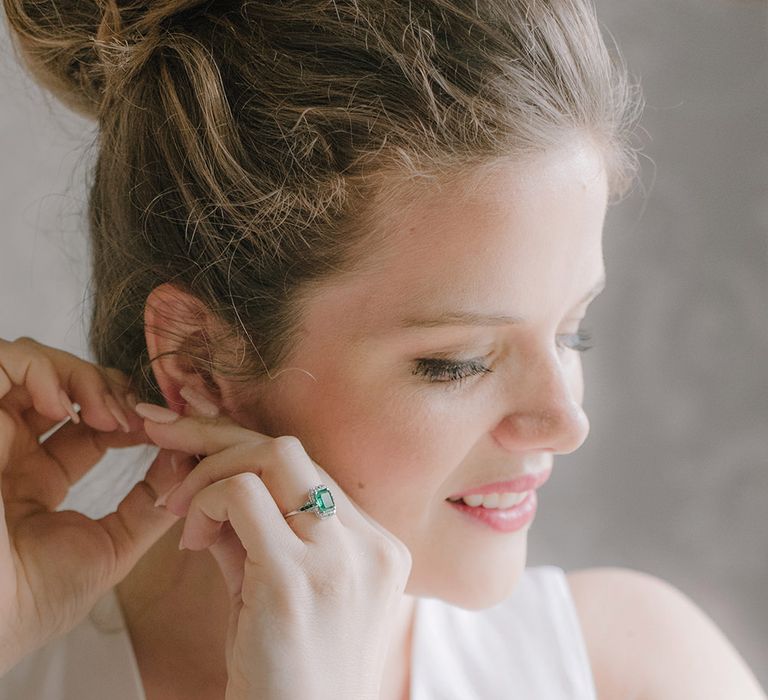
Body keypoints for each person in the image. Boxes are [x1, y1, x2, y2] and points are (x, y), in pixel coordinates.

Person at [0, 0, 765, 698]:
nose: (565, 422)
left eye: (573, 332)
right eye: (457, 362)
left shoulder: (642, 674)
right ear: (200, 362)